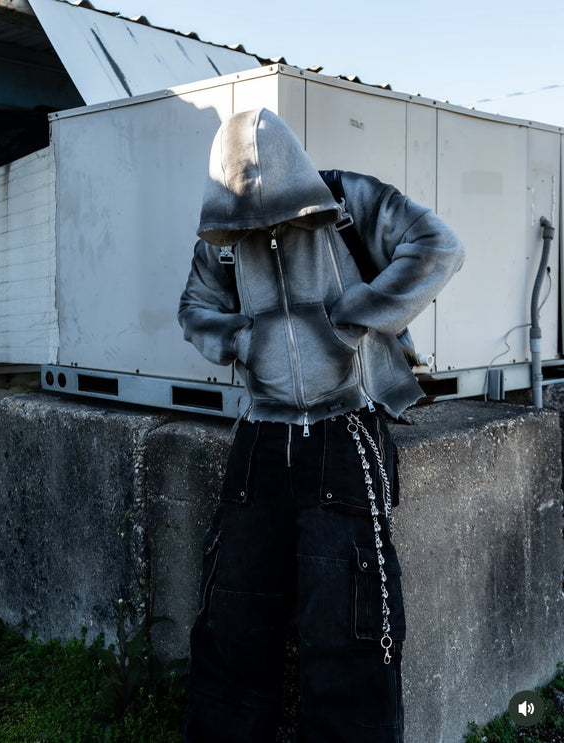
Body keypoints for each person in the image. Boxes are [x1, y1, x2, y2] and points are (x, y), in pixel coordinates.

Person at [178, 107, 464, 743]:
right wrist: (242, 339)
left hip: (345, 431)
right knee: (231, 616)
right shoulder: (223, 234)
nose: (260, 225)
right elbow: (195, 306)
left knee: (349, 626)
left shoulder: (348, 200)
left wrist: (353, 316)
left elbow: (439, 246)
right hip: (260, 435)